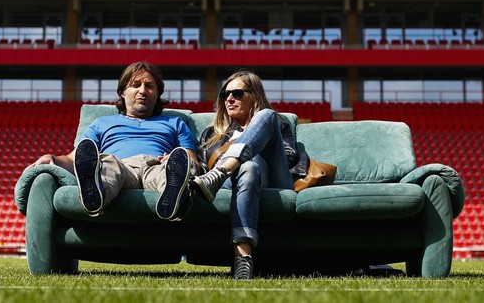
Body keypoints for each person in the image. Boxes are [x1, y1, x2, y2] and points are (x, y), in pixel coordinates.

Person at [26, 61, 201, 221]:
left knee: (178, 167)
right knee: (108, 165)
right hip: (119, 165)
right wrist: (53, 159)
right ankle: (95, 193)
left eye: (149, 86)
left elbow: (193, 161)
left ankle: (173, 199)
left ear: (157, 94)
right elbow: (73, 159)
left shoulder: (175, 123)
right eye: (135, 85)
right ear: (123, 92)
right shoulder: (101, 123)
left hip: (157, 165)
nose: (142, 90)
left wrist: (174, 160)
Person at [190, 70, 305, 280]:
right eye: (225, 94)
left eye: (238, 93)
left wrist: (247, 146)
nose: (230, 99)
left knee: (265, 121)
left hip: (272, 179)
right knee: (248, 167)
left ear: (255, 95)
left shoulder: (276, 122)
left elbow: (288, 156)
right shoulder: (211, 133)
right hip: (227, 183)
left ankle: (224, 170)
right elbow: (200, 166)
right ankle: (243, 260)